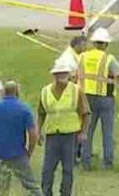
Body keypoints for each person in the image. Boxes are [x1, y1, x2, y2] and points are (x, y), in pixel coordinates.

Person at [78, 27, 119, 170]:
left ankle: (85, 161)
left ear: (94, 43)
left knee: (87, 130)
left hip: (86, 98)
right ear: (106, 44)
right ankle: (108, 163)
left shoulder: (83, 56)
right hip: (105, 99)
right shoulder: (109, 59)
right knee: (107, 132)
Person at [37, 62, 89, 196]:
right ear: (54, 75)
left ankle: (65, 193)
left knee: (68, 169)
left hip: (70, 135)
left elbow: (85, 113)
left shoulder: (76, 90)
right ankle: (46, 192)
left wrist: (83, 132)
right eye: (60, 73)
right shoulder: (45, 91)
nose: (63, 76)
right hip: (52, 135)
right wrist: (38, 131)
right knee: (47, 169)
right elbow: (41, 113)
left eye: (65, 73)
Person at [0, 81, 42, 195]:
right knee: (32, 186)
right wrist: (29, 152)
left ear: (3, 92)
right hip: (18, 153)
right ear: (17, 92)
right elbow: (33, 134)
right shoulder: (24, 109)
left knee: (2, 190)